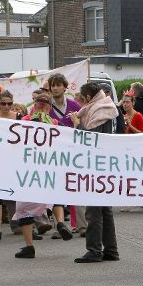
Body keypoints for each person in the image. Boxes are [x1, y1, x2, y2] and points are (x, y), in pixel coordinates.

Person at [13, 93, 72, 259]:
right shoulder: (55, 124)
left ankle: (29, 246)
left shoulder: (24, 121)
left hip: (28, 170)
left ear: (34, 106)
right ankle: (60, 223)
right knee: (53, 196)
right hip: (48, 168)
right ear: (50, 108)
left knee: (23, 208)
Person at [70, 82, 120, 263]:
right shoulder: (109, 107)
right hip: (108, 165)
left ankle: (94, 250)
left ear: (89, 98)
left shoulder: (100, 110)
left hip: (96, 166)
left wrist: (78, 125)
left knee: (94, 211)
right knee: (105, 209)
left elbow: (91, 140)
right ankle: (111, 250)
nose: (82, 105)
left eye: (83, 100)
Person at [47, 73, 80, 239]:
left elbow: (83, 128)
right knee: (54, 189)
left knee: (72, 187)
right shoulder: (46, 107)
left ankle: (76, 225)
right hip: (51, 155)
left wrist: (76, 124)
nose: (55, 88)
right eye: (53, 85)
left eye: (59, 85)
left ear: (65, 87)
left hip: (71, 154)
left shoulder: (74, 105)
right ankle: (59, 226)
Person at [0, 91, 24, 242]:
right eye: (3, 103)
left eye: (9, 103)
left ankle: (26, 226)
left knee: (21, 194)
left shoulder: (18, 117)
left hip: (16, 161)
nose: (6, 106)